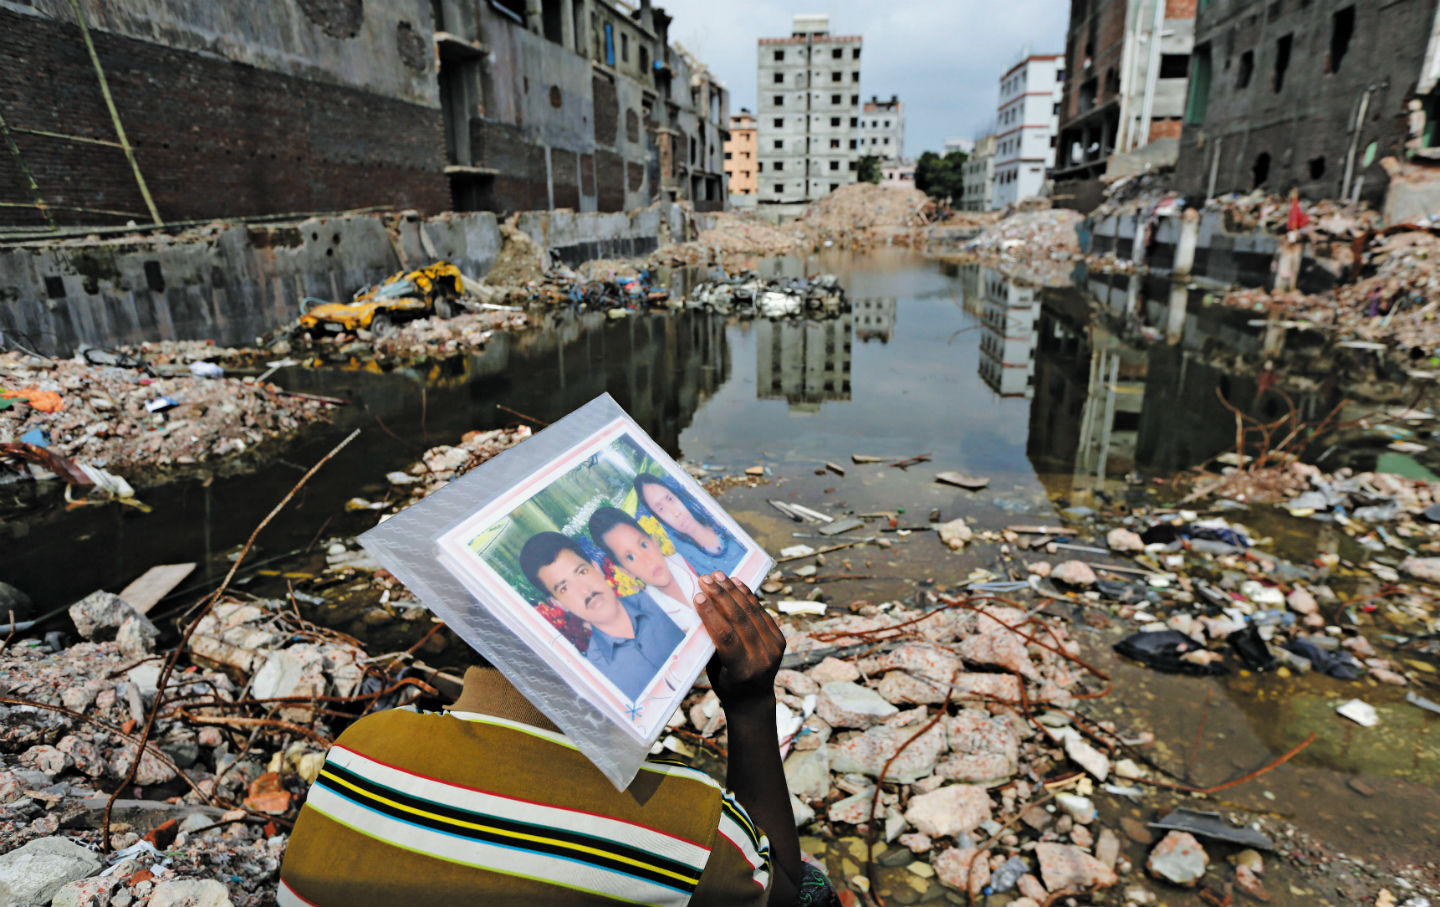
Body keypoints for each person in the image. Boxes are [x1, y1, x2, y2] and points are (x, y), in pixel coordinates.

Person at [278, 574, 832, 907]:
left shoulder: (363, 745)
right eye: (565, 592)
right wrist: (751, 705)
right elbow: (786, 891)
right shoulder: (685, 824)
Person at [518, 531, 683, 701]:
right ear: (559, 604)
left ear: (596, 568)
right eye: (564, 588)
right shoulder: (599, 678)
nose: (584, 590)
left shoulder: (662, 600)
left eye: (581, 572)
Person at [589, 506, 702, 633]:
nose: (647, 560)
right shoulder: (653, 617)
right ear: (625, 571)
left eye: (643, 545)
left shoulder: (695, 560)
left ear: (654, 541)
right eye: (630, 557)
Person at [634, 473, 745, 576]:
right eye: (661, 509)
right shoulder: (683, 557)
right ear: (658, 518)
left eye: (670, 499)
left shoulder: (719, 520)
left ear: (678, 496)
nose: (675, 512)